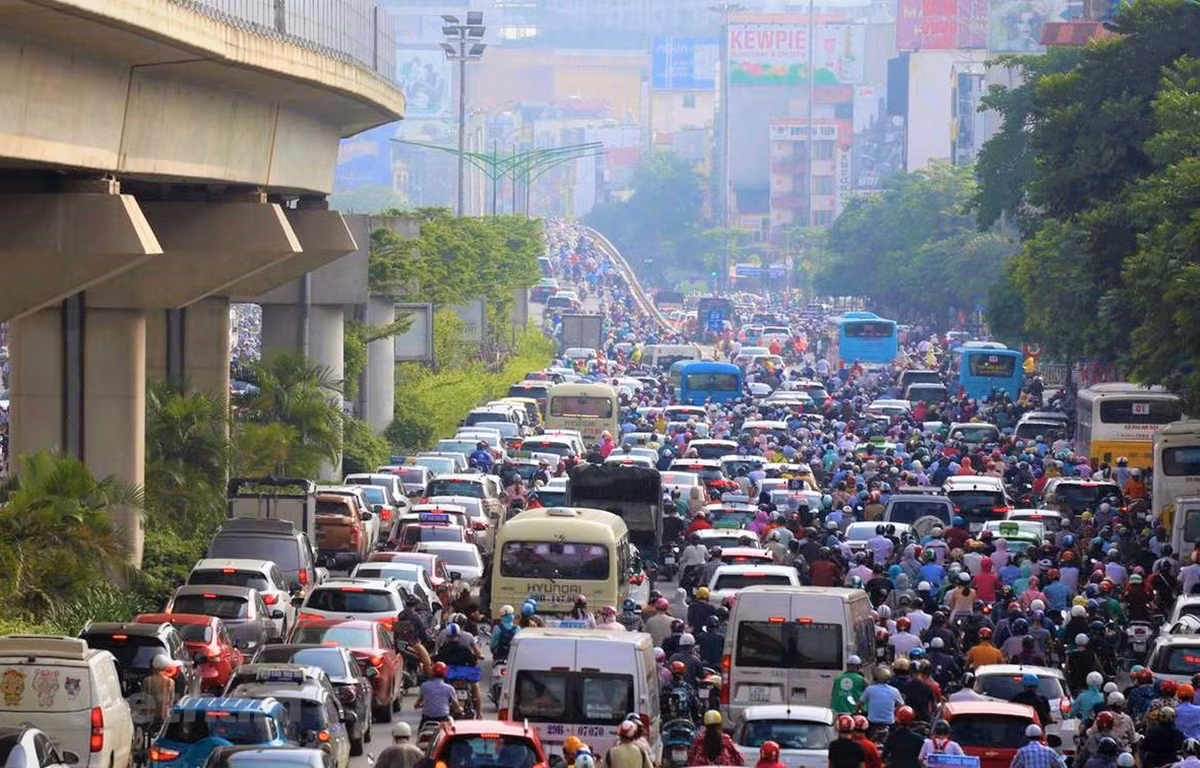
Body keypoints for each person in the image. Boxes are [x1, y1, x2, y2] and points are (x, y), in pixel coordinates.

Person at [414, 661, 461, 727]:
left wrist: (418, 705)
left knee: (420, 731)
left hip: (427, 718)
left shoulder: (424, 686)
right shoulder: (449, 688)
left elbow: (418, 702)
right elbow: (456, 704)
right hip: (443, 718)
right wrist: (459, 709)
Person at [140, 654, 177, 732]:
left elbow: (144, 699)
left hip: (149, 716)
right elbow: (171, 701)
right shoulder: (170, 682)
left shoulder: (147, 681)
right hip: (163, 716)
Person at [861, 666, 904, 731]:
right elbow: (902, 705)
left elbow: (859, 703)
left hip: (872, 722)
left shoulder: (869, 689)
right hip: (889, 723)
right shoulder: (894, 691)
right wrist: (894, 710)